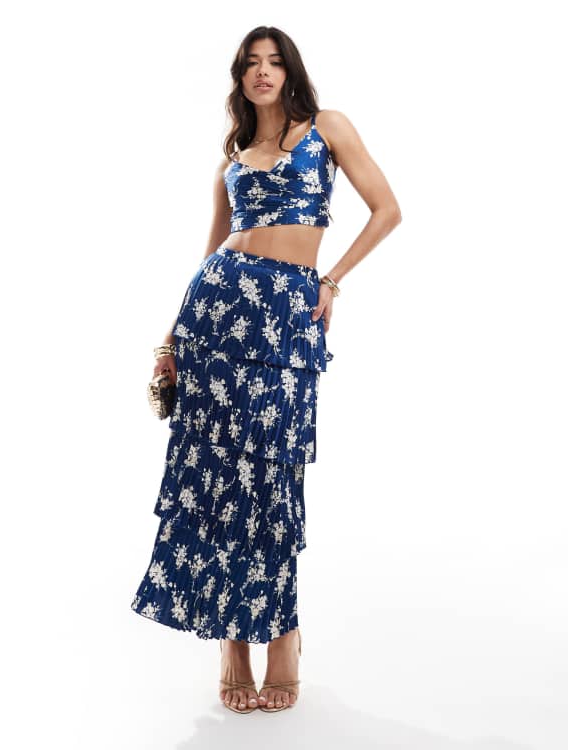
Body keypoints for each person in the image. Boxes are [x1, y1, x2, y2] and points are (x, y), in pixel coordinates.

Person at [131, 25, 402, 714]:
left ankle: (282, 635)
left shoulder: (326, 129)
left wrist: (332, 281)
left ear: (290, 71)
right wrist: (169, 341)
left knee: (272, 479)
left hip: (285, 316)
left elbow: (388, 210)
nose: (263, 72)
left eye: (274, 62)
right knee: (217, 481)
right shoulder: (232, 159)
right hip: (217, 315)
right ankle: (232, 644)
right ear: (240, 77)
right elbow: (212, 251)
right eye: (251, 63)